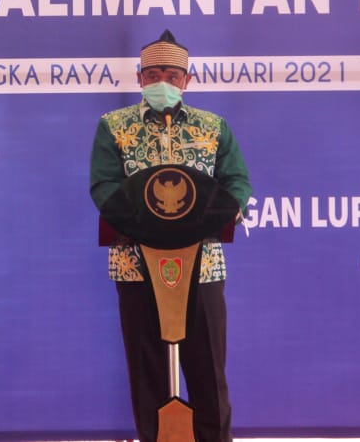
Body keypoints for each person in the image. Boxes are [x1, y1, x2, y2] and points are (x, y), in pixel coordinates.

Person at [89, 29, 252, 442]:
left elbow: (237, 183)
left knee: (208, 372)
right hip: (136, 267)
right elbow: (104, 186)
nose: (163, 82)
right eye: (154, 74)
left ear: (187, 80)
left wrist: (216, 215)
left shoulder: (213, 127)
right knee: (149, 375)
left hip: (203, 267)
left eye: (173, 75)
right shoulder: (113, 127)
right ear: (139, 78)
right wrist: (149, 229)